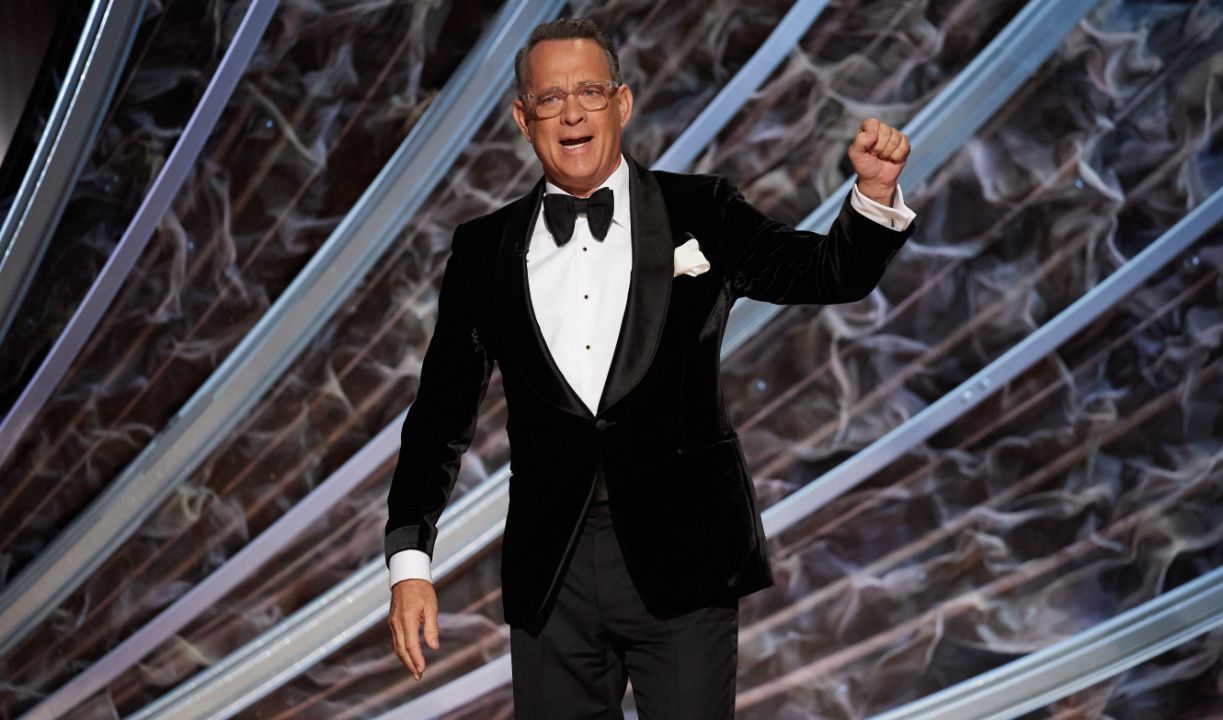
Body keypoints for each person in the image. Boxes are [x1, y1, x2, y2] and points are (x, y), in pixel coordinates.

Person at [384, 17, 915, 718]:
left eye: (589, 92)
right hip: (554, 576)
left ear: (622, 104)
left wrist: (872, 198)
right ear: (523, 117)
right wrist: (410, 566)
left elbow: (823, 272)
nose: (571, 112)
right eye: (549, 99)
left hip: (685, 560)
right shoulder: (483, 250)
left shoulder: (701, 209)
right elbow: (440, 417)